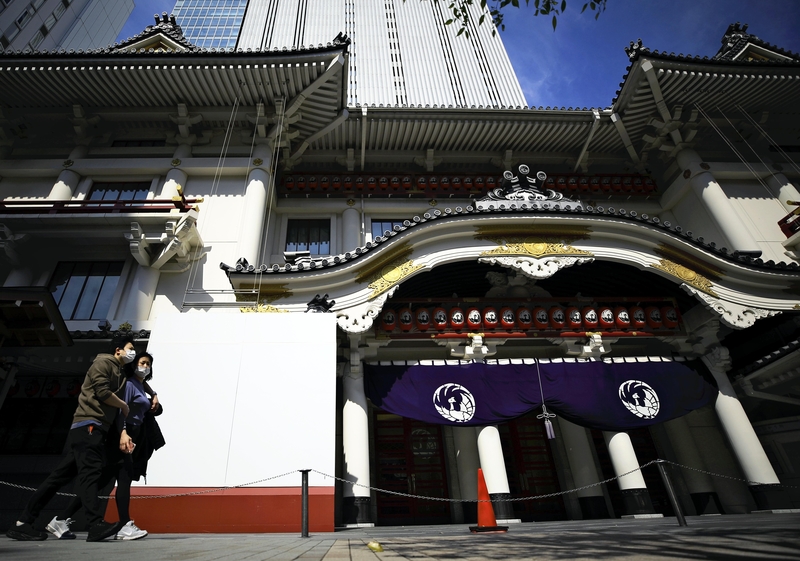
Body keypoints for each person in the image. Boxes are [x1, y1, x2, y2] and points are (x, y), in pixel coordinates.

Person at [6, 335, 136, 542]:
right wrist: (123, 405)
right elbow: (102, 392)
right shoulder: (103, 363)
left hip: (93, 428)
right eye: (130, 348)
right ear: (118, 350)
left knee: (57, 479)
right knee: (91, 473)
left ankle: (23, 523)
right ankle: (95, 524)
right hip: (89, 426)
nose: (133, 352)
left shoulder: (119, 371)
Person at [46, 351, 164, 541]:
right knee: (124, 478)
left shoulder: (141, 386)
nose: (145, 366)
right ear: (134, 365)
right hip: (122, 436)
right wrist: (123, 433)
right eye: (142, 362)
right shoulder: (129, 384)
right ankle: (124, 525)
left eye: (148, 364)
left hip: (130, 437)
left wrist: (154, 395)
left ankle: (61, 519)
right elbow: (120, 410)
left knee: (103, 482)